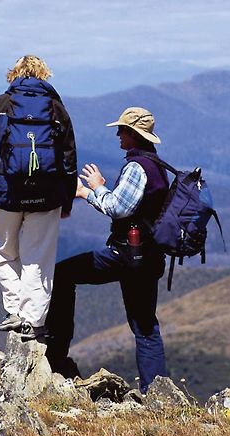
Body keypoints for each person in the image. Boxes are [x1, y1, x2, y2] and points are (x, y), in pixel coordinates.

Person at [45, 107, 169, 392]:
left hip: (127, 255)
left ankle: (56, 352)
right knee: (145, 326)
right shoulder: (157, 165)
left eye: (122, 130)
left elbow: (119, 208)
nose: (118, 135)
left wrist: (89, 191)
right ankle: (157, 392)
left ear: (134, 135)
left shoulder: (138, 167)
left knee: (62, 275)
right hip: (149, 256)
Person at [0, 55, 77, 340]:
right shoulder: (56, 108)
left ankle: (13, 311)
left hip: (5, 193)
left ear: (14, 75)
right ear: (45, 75)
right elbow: (68, 160)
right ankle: (32, 320)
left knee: (6, 252)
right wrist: (66, 199)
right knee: (39, 257)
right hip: (47, 196)